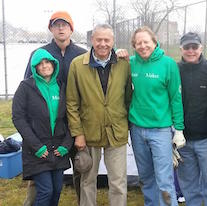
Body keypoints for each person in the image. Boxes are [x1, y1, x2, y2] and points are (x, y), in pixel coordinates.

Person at [23, 11, 87, 205]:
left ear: (71, 28)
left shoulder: (82, 54)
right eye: (56, 25)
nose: (61, 28)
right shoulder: (39, 54)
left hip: (74, 122)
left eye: (65, 25)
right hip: (45, 125)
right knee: (40, 175)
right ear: (51, 28)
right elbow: (28, 86)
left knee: (81, 168)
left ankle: (82, 201)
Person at [66, 24, 132, 206]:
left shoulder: (124, 64)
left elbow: (128, 97)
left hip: (116, 132)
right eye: (98, 40)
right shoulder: (77, 65)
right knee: (87, 180)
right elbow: (71, 102)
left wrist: (124, 123)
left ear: (113, 42)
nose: (103, 44)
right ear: (91, 40)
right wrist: (77, 133)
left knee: (118, 182)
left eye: (107, 40)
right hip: (88, 133)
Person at [129, 26, 185, 206]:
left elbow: (176, 98)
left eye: (146, 42)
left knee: (164, 180)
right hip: (137, 129)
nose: (143, 46)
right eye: (138, 43)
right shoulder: (130, 63)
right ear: (134, 46)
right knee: (146, 178)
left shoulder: (168, 64)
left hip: (161, 130)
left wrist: (179, 129)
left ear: (154, 42)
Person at [12, 48, 73, 206]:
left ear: (53, 64)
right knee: (46, 190)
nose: (44, 66)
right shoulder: (26, 87)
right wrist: (37, 146)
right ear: (34, 68)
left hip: (58, 148)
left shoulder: (61, 86)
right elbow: (18, 118)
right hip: (38, 150)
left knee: (57, 189)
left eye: (47, 62)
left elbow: (70, 117)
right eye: (39, 64)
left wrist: (66, 145)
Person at [176, 32, 207, 206]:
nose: (191, 51)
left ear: (201, 48)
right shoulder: (174, 69)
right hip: (182, 141)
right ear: (181, 49)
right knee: (189, 187)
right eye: (187, 47)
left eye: (194, 47)